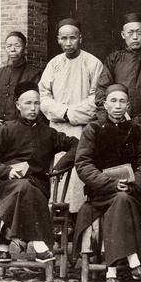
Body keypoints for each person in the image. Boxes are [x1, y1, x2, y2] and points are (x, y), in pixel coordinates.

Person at [0, 82, 78, 263]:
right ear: (18, 105)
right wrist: (6, 170)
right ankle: (39, 245)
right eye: (27, 103)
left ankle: (5, 235)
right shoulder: (6, 129)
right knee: (23, 185)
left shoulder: (48, 133)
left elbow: (77, 144)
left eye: (36, 103)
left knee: (27, 185)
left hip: (39, 187)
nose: (33, 108)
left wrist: (60, 165)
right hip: (7, 186)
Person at [73, 84, 141, 282]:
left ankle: (112, 270)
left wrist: (133, 186)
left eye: (122, 101)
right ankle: (133, 259)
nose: (118, 106)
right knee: (120, 199)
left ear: (128, 105)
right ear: (105, 104)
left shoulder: (136, 131)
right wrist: (110, 183)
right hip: (101, 194)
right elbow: (83, 164)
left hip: (130, 193)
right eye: (113, 101)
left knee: (123, 199)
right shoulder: (92, 130)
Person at [39, 18, 104, 213]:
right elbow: (43, 96)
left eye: (73, 38)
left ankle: (76, 217)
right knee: (57, 171)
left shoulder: (93, 63)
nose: (68, 43)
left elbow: (96, 100)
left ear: (80, 38)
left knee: (78, 175)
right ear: (58, 39)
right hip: (57, 130)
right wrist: (61, 112)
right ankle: (57, 218)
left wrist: (70, 114)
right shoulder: (54, 64)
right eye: (64, 38)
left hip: (82, 129)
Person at [95, 13, 141, 130]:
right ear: (123, 34)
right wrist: (110, 118)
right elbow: (102, 90)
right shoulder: (113, 59)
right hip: (115, 122)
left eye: (139, 32)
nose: (135, 37)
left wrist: (137, 121)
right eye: (130, 32)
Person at [0, 31, 42, 132]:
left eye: (17, 46)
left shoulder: (33, 74)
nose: (12, 50)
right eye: (9, 46)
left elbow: (38, 106)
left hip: (23, 133)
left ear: (24, 49)